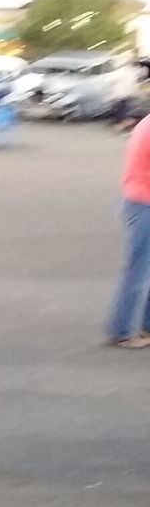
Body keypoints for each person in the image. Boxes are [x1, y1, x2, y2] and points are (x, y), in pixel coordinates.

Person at [106, 115, 150, 347]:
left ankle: (147, 327)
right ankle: (120, 331)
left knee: (141, 269)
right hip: (145, 203)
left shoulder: (146, 122)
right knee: (138, 270)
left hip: (137, 199)